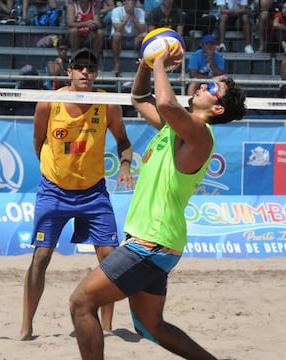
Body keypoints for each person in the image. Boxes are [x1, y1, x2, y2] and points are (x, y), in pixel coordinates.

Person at [69, 42, 247, 359]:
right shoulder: (175, 128)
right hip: (159, 241)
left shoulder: (199, 133)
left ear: (217, 108)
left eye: (210, 86)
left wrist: (161, 61)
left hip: (151, 243)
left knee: (82, 302)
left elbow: (164, 102)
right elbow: (140, 98)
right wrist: (145, 66)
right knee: (151, 327)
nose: (202, 84)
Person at [18, 47, 134, 341]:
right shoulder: (49, 103)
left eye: (91, 68)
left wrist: (125, 167)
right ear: (68, 71)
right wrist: (54, 171)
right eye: (80, 67)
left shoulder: (107, 104)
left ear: (96, 74)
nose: (85, 72)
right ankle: (26, 327)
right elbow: (38, 142)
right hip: (54, 191)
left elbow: (123, 141)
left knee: (110, 259)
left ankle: (108, 328)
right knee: (41, 257)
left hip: (94, 193)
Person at [110, 0, 146, 77]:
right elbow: (117, 29)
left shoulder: (140, 11)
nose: (131, 2)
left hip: (134, 39)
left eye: (133, 0)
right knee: (116, 35)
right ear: (124, 2)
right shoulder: (116, 11)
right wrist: (127, 15)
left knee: (144, 36)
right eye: (129, 0)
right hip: (120, 39)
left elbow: (142, 30)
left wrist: (133, 15)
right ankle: (117, 64)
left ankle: (144, 65)